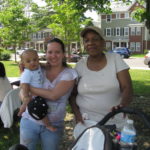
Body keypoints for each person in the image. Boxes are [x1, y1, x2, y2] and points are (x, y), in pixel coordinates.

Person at [69, 26, 133, 138]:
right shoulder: (79, 66)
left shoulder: (115, 59)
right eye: (87, 40)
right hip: (87, 123)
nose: (90, 43)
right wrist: (77, 114)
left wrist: (122, 105)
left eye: (95, 39)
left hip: (115, 123)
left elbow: (127, 87)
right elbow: (72, 94)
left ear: (103, 42)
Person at [19, 38, 78, 150]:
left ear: (63, 54)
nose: (53, 55)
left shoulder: (70, 74)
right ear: (46, 53)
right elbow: (22, 91)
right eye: (50, 52)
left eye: (57, 52)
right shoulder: (37, 69)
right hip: (29, 120)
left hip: (54, 124)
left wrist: (28, 88)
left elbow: (53, 95)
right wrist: (25, 98)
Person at [18, 49, 56, 132]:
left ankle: (22, 108)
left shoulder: (37, 67)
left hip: (39, 93)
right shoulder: (27, 73)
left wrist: (46, 66)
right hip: (33, 96)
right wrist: (26, 97)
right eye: (28, 61)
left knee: (41, 108)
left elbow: (40, 65)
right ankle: (48, 125)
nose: (32, 62)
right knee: (40, 110)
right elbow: (24, 85)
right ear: (24, 64)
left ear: (38, 59)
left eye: (35, 59)